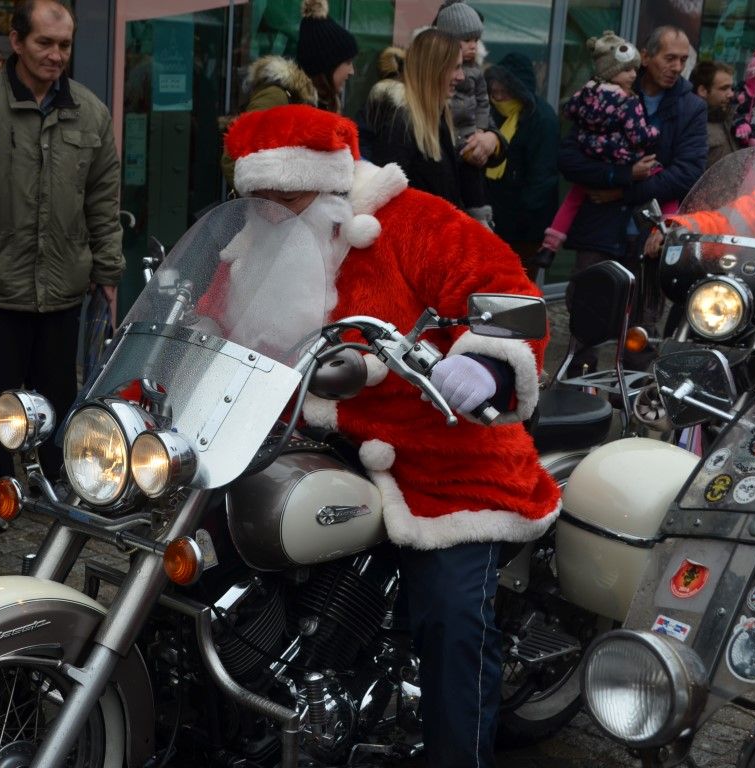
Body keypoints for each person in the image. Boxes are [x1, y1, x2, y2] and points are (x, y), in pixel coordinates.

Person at [224, 103, 560, 767]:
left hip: (443, 446)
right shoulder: (253, 243)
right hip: (315, 441)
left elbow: (511, 295)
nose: (272, 212)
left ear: (324, 185)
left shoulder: (412, 220)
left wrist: (487, 365)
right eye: (260, 199)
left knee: (449, 615)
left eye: (285, 196)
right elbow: (207, 321)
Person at [0, 0, 123, 533]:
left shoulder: (90, 113)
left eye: (64, 45)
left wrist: (108, 270)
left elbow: (102, 201)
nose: (56, 55)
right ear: (16, 41)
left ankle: (53, 482)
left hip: (63, 283)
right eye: (45, 43)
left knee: (58, 392)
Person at [557, 25, 705, 365]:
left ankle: (633, 394)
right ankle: (577, 390)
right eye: (669, 58)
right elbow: (568, 159)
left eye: (683, 59)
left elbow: (687, 173)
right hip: (599, 229)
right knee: (586, 317)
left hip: (649, 234)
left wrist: (620, 192)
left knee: (641, 331)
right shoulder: (607, 91)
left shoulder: (691, 107)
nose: (677, 67)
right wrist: (621, 175)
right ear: (646, 56)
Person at [543, 32, 674, 258]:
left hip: (591, 151)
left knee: (575, 196)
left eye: (634, 69)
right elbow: (638, 136)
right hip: (621, 155)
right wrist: (655, 131)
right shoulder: (628, 100)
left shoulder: (588, 92)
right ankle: (668, 229)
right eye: (627, 70)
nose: (634, 75)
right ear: (612, 71)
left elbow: (570, 110)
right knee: (662, 179)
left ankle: (549, 245)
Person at [361, 28, 503, 212]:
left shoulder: (439, 117)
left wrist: (493, 138)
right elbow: (387, 205)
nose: (461, 76)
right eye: (455, 67)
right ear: (434, 69)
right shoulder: (400, 125)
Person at [219, 0, 356, 190]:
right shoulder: (278, 96)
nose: (352, 71)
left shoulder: (323, 103)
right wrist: (275, 199)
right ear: (326, 64)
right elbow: (232, 157)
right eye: (347, 62)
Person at [483, 53, 560, 278]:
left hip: (525, 228)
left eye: (504, 93)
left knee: (519, 284)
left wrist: (519, 220)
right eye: (494, 93)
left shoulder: (542, 119)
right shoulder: (492, 114)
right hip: (494, 221)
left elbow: (543, 178)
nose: (498, 99)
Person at [433, 0, 495, 227]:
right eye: (467, 40)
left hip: (468, 135)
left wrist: (486, 133)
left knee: (472, 179)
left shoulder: (476, 72)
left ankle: (479, 218)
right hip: (445, 145)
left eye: (476, 40)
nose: (473, 46)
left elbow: (483, 103)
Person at [689, 60, 742, 167]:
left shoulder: (734, 119)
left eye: (731, 88)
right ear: (703, 90)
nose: (731, 94)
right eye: (724, 88)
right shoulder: (690, 125)